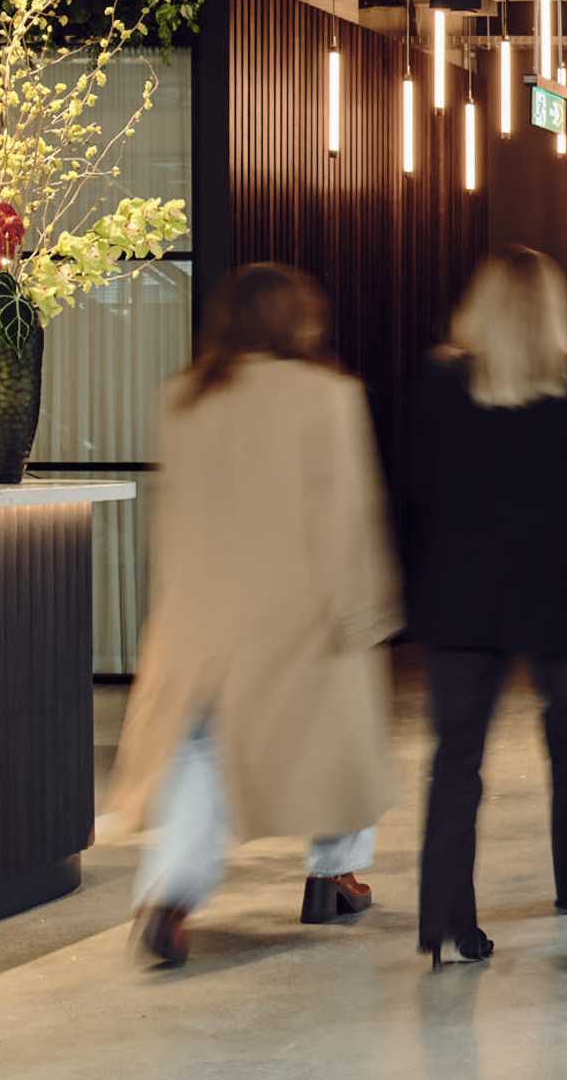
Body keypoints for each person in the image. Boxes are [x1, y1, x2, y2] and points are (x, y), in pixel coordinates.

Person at [107, 263, 402, 968]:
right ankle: (334, 877)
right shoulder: (325, 395)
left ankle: (169, 896)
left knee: (201, 756)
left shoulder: (183, 398)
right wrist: (365, 607)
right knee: (338, 746)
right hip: (300, 611)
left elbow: (173, 515)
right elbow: (345, 512)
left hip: (202, 614)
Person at [405, 248, 567, 967]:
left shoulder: (441, 381)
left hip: (462, 596)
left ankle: (444, 919)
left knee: (456, 759)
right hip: (560, 593)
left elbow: (418, 490)